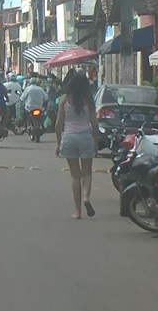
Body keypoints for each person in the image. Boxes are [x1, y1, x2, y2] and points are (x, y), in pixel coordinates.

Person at [55, 73, 100, 219]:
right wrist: (96, 142)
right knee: (87, 172)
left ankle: (77, 211)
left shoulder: (64, 99)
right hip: (85, 137)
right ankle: (86, 197)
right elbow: (94, 124)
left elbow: (58, 124)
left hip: (69, 138)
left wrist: (58, 143)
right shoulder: (89, 100)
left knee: (75, 175)